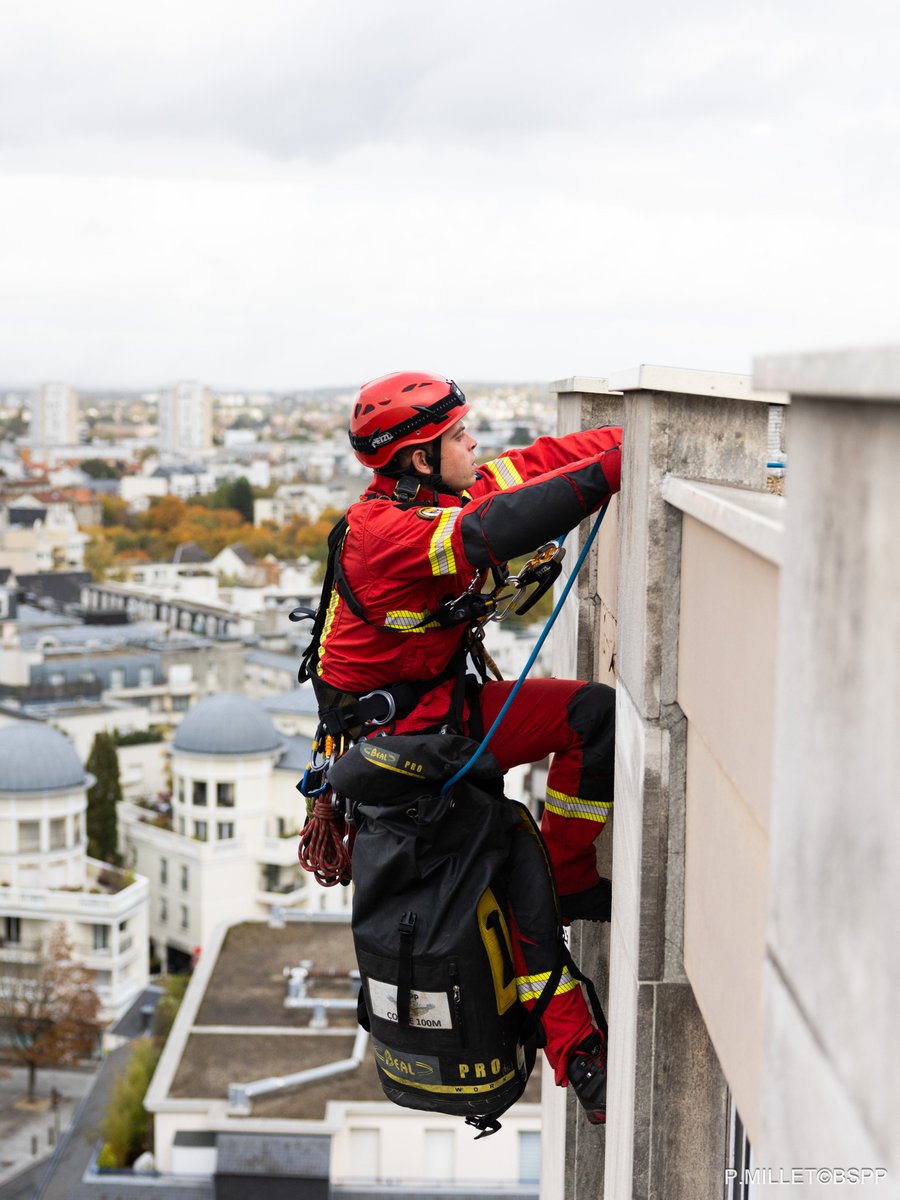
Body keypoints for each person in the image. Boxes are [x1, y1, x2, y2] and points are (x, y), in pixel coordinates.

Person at [305, 370, 621, 1123]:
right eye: (456, 436)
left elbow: (535, 469)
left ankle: (572, 874)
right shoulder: (385, 536)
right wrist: (614, 473)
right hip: (396, 759)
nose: (473, 444)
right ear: (419, 458)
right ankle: (574, 1048)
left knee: (590, 716)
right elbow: (488, 534)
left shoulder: (447, 491)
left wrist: (632, 443)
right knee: (506, 862)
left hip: (445, 723)